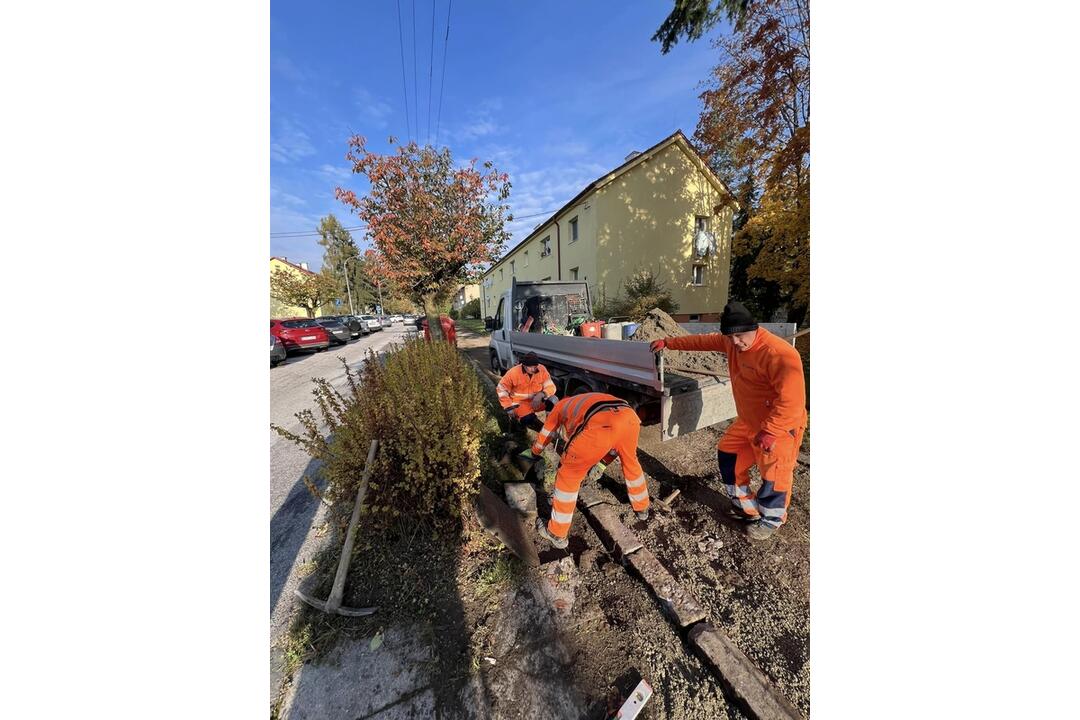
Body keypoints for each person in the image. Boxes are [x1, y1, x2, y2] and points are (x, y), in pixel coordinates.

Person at [649, 301, 806, 540]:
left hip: (779, 427)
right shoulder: (732, 341)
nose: (735, 343)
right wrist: (668, 343)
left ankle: (772, 520)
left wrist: (771, 430)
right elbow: (701, 342)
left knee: (775, 476)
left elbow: (792, 402)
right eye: (730, 338)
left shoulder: (779, 354)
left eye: (741, 336)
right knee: (728, 455)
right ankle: (747, 507)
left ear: (755, 329)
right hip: (749, 422)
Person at [520, 392, 650, 549]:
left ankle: (557, 533)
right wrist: (602, 463)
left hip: (600, 426)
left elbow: (546, 434)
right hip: (629, 418)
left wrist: (534, 452)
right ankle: (642, 508)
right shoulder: (582, 401)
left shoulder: (559, 408)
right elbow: (616, 437)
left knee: (568, 476)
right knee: (631, 462)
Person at [496, 351, 558, 432]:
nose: (534, 369)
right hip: (520, 404)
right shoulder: (513, 372)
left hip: (537, 402)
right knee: (528, 419)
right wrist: (508, 407)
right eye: (531, 367)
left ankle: (550, 426)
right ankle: (546, 433)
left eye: (535, 366)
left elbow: (551, 386)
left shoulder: (541, 369)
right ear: (524, 365)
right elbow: (501, 389)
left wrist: (541, 394)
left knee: (553, 400)